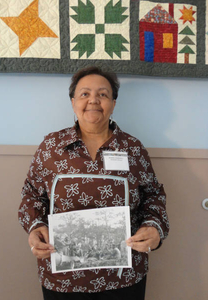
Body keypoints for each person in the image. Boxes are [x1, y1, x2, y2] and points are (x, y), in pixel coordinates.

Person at [18, 66, 169, 300]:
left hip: (123, 278)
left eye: (103, 94)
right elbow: (31, 195)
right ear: (73, 102)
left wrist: (154, 227)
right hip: (63, 279)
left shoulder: (133, 148)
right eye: (85, 94)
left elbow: (153, 195)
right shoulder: (51, 147)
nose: (93, 101)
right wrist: (35, 227)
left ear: (113, 103)